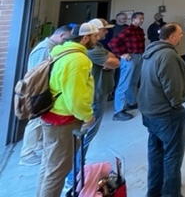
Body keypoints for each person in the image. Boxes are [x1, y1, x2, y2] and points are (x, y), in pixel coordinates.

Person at [35, 22, 98, 197]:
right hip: (63, 120)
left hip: (51, 115)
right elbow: (75, 96)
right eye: (94, 36)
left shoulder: (61, 52)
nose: (97, 39)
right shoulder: (78, 59)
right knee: (57, 172)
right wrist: (87, 116)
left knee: (49, 167)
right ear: (85, 38)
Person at [65, 18, 120, 190]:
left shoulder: (98, 47)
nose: (105, 32)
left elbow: (114, 58)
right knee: (85, 137)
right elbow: (115, 62)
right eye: (103, 30)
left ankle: (76, 170)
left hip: (99, 95)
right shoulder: (91, 51)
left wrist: (110, 60)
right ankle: (74, 175)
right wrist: (110, 61)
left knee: (86, 137)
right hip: (94, 98)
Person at [139, 23, 185, 197]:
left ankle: (154, 191)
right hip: (166, 114)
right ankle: (171, 193)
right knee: (172, 156)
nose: (181, 36)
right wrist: (177, 103)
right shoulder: (168, 56)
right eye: (180, 34)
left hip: (150, 111)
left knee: (155, 153)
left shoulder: (151, 52)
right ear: (172, 37)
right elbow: (172, 87)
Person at [18, 25, 72, 166]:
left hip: (43, 90)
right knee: (35, 121)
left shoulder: (51, 47)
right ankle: (27, 154)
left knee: (41, 120)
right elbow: (36, 74)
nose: (68, 41)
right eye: (67, 38)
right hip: (38, 91)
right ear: (61, 35)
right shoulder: (44, 48)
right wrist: (40, 92)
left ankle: (38, 146)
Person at [110, 11, 145, 121]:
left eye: (142, 18)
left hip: (139, 56)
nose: (142, 20)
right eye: (140, 18)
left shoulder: (140, 30)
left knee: (133, 82)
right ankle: (118, 111)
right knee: (124, 83)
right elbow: (113, 43)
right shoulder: (127, 30)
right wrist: (122, 54)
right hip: (129, 58)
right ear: (133, 19)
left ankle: (132, 102)